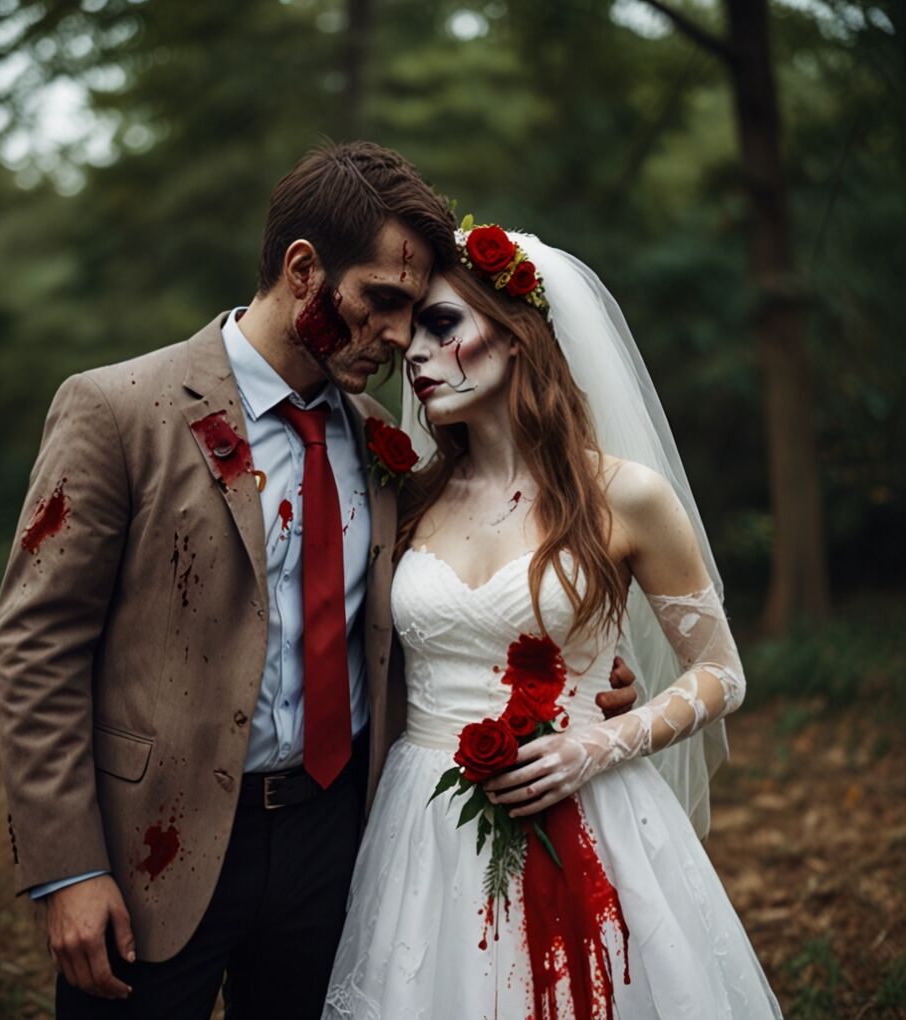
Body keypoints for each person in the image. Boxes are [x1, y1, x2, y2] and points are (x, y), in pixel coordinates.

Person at [0, 143, 640, 1019]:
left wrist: (579, 670)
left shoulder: (387, 442)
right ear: (304, 270)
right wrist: (69, 869)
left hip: (339, 844)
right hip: (156, 843)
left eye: (416, 313)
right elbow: (38, 648)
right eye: (382, 301)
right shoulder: (119, 412)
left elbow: (443, 602)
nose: (404, 336)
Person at [323, 226, 783, 1019]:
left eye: (443, 327)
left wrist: (594, 742)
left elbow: (721, 674)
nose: (417, 356)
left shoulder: (624, 498)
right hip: (423, 822)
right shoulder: (409, 498)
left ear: (518, 335)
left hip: (591, 808)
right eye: (413, 338)